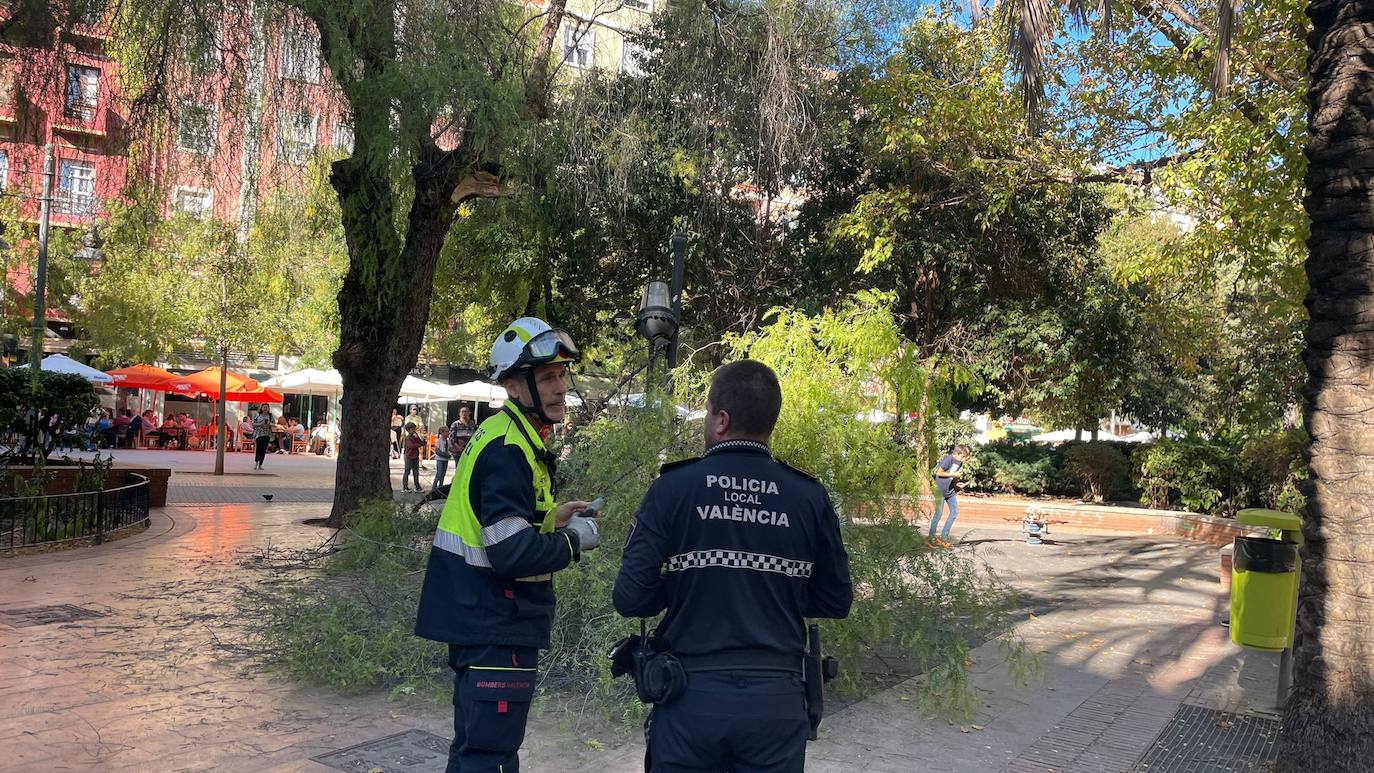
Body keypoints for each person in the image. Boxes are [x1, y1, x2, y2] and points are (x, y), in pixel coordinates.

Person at [614, 360, 854, 773]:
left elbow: (630, 598)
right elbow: (836, 600)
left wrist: (685, 585)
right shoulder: (808, 496)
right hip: (776, 704)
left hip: (690, 699)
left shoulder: (673, 488)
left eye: (707, 412)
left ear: (721, 419)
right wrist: (779, 589)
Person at [415, 317, 600, 773]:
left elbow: (497, 524)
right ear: (515, 387)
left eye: (561, 375)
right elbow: (510, 554)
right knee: (489, 759)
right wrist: (574, 542)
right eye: (547, 378)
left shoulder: (512, 436)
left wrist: (550, 518)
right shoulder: (508, 450)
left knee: (475, 753)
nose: (560, 388)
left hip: (483, 621)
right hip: (495, 623)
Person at [928, 444, 972, 547]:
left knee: (954, 513)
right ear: (957, 454)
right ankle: (931, 538)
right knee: (938, 514)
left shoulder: (959, 462)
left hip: (950, 491)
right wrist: (954, 475)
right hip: (940, 490)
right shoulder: (948, 459)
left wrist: (957, 484)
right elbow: (939, 473)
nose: (964, 459)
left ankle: (944, 537)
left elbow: (953, 476)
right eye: (963, 457)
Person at [402, 424, 424, 492]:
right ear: (408, 430)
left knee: (416, 472)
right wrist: (418, 445)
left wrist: (418, 438)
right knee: (407, 471)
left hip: (415, 456)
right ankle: (405, 487)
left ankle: (417, 487)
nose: (414, 430)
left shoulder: (415, 437)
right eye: (412, 429)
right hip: (409, 456)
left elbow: (421, 443)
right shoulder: (408, 437)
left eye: (414, 429)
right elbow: (411, 446)